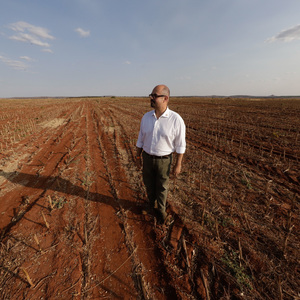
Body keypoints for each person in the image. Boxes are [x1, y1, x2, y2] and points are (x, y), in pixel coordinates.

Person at [136, 84, 186, 224]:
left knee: (162, 187)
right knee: (149, 184)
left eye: (154, 96)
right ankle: (151, 206)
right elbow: (140, 139)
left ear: (165, 98)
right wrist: (138, 156)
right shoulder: (146, 117)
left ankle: (161, 211)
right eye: (151, 95)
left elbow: (181, 145)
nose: (151, 98)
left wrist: (178, 164)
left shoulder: (176, 120)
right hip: (147, 157)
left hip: (164, 160)